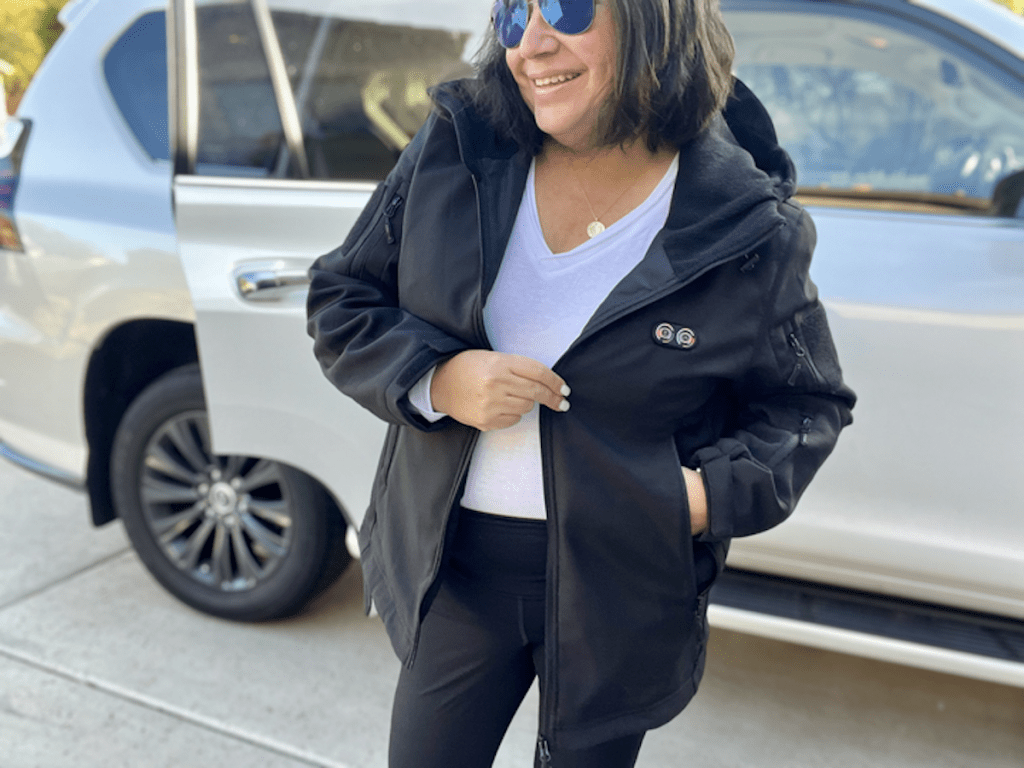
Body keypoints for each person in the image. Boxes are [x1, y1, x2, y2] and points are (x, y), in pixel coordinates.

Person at [306, 0, 856, 764]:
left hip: (619, 590)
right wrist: (437, 379)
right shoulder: (456, 145)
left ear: (655, 17)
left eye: (563, 6)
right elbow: (342, 299)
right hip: (456, 573)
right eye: (509, 14)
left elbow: (806, 407)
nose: (529, 44)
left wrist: (695, 501)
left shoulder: (748, 227)